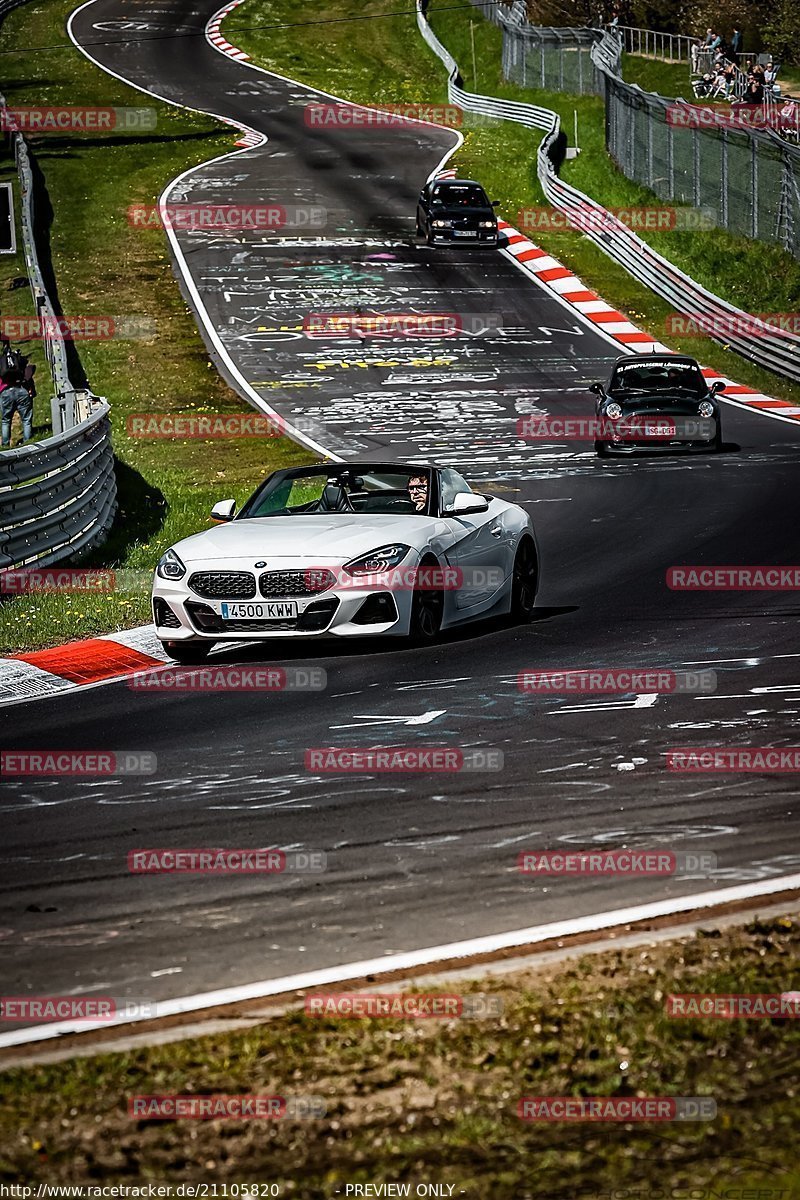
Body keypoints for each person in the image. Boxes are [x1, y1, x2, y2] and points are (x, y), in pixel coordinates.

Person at [1, 368, 33, 447]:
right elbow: (30, 369)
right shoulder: (19, 361)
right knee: (26, 420)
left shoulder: (2, 362)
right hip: (21, 389)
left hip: (5, 391)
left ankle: (5, 445)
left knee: (6, 420)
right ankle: (28, 443)